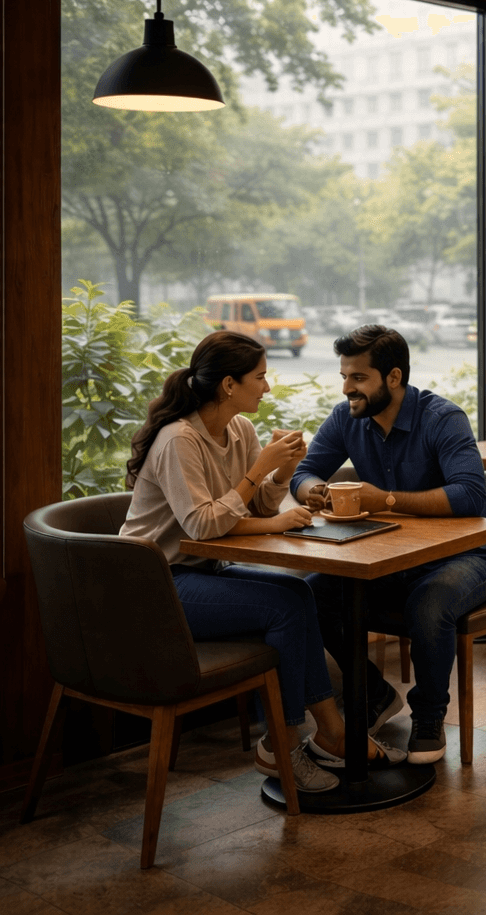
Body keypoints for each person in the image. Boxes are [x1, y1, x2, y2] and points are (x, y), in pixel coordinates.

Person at [120, 330, 403, 794]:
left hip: (201, 571)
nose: (267, 388)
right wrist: (260, 471)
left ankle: (325, 735)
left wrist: (285, 470)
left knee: (299, 592)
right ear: (229, 385)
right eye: (260, 377)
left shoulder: (239, 430)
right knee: (284, 607)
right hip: (156, 586)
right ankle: (286, 742)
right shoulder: (179, 441)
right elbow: (203, 525)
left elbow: (258, 510)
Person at [294, 325, 486, 764]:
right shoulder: (345, 417)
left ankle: (428, 716)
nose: (348, 388)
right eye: (344, 377)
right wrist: (311, 489)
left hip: (464, 557)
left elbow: (470, 495)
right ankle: (374, 692)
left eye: (358, 378)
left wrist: (384, 500)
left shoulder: (442, 418)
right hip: (388, 560)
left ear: (393, 377)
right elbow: (304, 472)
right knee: (309, 594)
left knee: (428, 603)